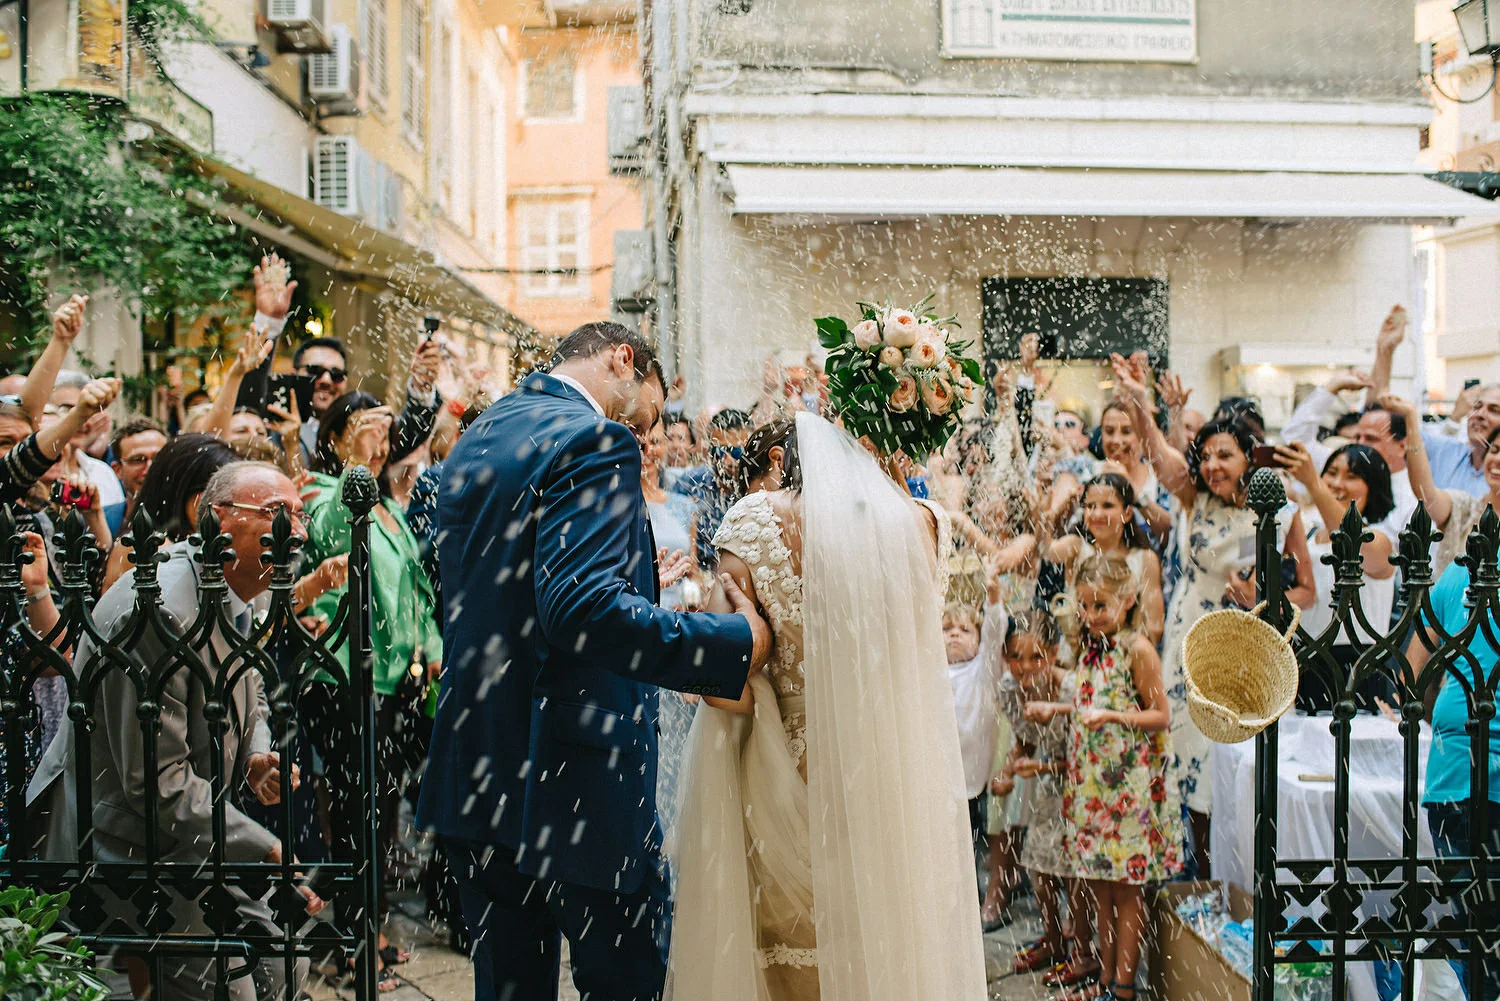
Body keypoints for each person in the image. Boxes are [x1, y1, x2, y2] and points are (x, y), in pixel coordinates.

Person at [417, 322, 769, 1001]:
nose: (646, 427)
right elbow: (581, 607)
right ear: (623, 359)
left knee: (508, 989)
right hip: (578, 778)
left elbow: (479, 593)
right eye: (650, 408)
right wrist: (729, 644)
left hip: (479, 764)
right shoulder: (594, 438)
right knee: (628, 986)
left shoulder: (483, 435)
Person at [666, 411, 988, 1001]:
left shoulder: (753, 523)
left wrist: (739, 633)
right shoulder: (923, 526)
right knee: (883, 952)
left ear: (786, 464)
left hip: (787, 777)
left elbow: (720, 690)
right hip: (888, 782)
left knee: (789, 963)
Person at [27, 461, 319, 1001]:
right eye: (277, 513)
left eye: (299, 513)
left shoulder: (233, 583)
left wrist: (256, 754)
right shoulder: (164, 606)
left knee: (285, 967)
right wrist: (266, 846)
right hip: (126, 842)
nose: (296, 530)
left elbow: (246, 683)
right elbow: (154, 785)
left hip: (192, 832)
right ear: (219, 519)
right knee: (228, 990)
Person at [1110, 353, 1315, 877]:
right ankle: (1195, 874)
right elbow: (1157, 451)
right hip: (1188, 637)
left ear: (1250, 457)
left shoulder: (1278, 509)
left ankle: (1242, 876)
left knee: (1235, 763)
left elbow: (1308, 591)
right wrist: (1139, 399)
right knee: (1186, 758)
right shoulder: (1193, 499)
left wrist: (1263, 599)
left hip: (1243, 648)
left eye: (1225, 455)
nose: (1212, 466)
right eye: (1206, 456)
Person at [300, 390, 443, 989]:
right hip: (346, 678)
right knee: (356, 811)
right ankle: (351, 943)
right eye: (366, 428)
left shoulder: (388, 506)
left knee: (383, 810)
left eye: (386, 430)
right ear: (335, 439)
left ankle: (374, 926)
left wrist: (429, 644)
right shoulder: (337, 501)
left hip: (397, 680)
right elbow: (336, 585)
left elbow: (413, 586)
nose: (381, 440)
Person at [1038, 554, 1181, 1001]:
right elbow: (1091, 706)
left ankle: (1122, 987)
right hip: (1093, 785)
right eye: (1084, 606)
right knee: (1099, 885)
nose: (1091, 615)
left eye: (1101, 606)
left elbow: (1160, 716)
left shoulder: (1137, 649)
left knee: (1126, 890)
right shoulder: (1091, 647)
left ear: (1128, 601)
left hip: (1127, 789)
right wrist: (1059, 709)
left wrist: (1113, 716)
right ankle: (1102, 979)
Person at [1405, 545, 1500, 1001]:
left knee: (1475, 932)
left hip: (1452, 772)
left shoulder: (1459, 574)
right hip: (1461, 775)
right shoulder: (1457, 576)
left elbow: (1410, 670)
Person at [1278, 441, 1399, 713]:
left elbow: (1351, 541)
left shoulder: (1381, 539)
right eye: (1331, 472)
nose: (1337, 483)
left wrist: (1313, 483)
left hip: (1356, 664)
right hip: (1302, 661)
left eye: (1352, 476)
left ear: (1374, 486)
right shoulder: (1308, 536)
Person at [999, 609, 1084, 981]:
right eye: (1016, 657)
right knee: (1037, 861)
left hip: (1086, 784)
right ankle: (1053, 937)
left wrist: (1043, 769)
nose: (1025, 666)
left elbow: (1091, 758)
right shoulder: (1010, 690)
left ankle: (1082, 946)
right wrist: (1009, 767)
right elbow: (1025, 740)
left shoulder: (1071, 688)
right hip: (1052, 782)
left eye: (1036, 656)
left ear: (1053, 652)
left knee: (1074, 869)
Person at [941, 558, 1009, 928]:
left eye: (965, 629)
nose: (954, 634)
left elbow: (996, 629)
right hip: (941, 779)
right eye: (947, 628)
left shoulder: (984, 671)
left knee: (970, 847)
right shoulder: (933, 668)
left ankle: (967, 907)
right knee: (944, 848)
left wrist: (994, 593)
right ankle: (948, 903)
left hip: (972, 779)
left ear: (979, 639)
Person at [1368, 304, 1495, 498]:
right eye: (1477, 406)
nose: (1480, 415)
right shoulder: (1445, 451)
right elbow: (1379, 417)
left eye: (1494, 410)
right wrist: (1385, 351)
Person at [1379, 394, 1500, 579]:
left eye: (1494, 410)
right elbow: (1427, 496)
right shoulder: (1466, 508)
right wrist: (1411, 417)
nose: (1497, 460)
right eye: (1495, 450)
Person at [1037, 473, 1166, 646]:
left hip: (1124, 654)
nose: (1097, 514)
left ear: (1127, 513)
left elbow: (1155, 627)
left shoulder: (1145, 559)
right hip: (1079, 649)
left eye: (1107, 506)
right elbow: (1044, 550)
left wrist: (1116, 648)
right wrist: (1045, 518)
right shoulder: (1077, 547)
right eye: (1090, 506)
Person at [101, 434, 239, 593]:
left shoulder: (210, 543)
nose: (226, 506)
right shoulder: (148, 545)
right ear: (181, 490)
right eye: (218, 492)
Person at [674, 407, 753, 568]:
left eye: (736, 453)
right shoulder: (690, 483)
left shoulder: (756, 491)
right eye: (719, 451)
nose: (727, 461)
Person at [109, 418, 167, 528]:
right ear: (118, 470)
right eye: (138, 460)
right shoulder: (102, 520)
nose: (150, 469)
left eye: (159, 458)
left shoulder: (189, 519)